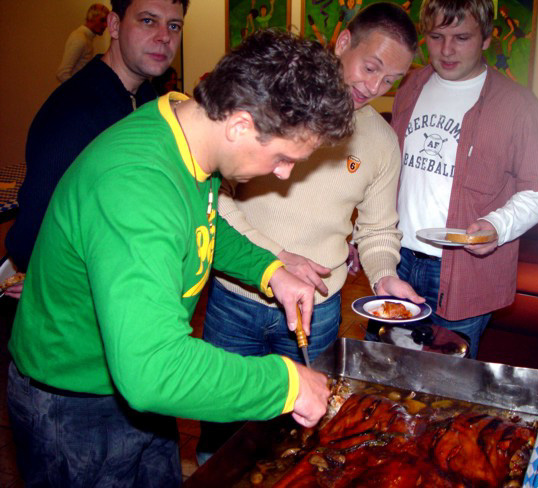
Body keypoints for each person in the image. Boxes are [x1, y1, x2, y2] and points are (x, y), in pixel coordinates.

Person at [7, 29, 354, 486]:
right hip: (75, 406)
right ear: (240, 125)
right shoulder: (136, 185)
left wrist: (270, 271)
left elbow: (200, 224)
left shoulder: (184, 131)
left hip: (131, 393)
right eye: (283, 157)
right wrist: (287, 384)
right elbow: (153, 370)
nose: (284, 174)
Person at [196, 2, 422, 463]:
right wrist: (276, 260)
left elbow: (378, 228)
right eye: (371, 67)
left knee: (298, 437)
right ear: (343, 42)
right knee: (221, 432)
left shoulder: (381, 142)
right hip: (237, 297)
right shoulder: (274, 104)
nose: (374, 87)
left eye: (390, 80)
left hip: (316, 308)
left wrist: (385, 277)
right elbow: (217, 199)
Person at [388, 0, 538, 358]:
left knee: (447, 377)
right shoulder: (411, 85)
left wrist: (497, 225)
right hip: (397, 259)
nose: (446, 50)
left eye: (461, 38)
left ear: (487, 38)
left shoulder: (519, 106)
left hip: (463, 270)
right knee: (389, 366)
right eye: (437, 37)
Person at [6, 0, 187, 284]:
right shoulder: (73, 110)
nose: (164, 36)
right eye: (148, 21)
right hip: (81, 291)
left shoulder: (149, 101)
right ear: (114, 25)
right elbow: (32, 234)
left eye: (174, 25)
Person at [56, 3, 109, 82]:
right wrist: (81, 88)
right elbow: (62, 73)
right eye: (102, 20)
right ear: (91, 18)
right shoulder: (80, 39)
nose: (106, 25)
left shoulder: (84, 38)